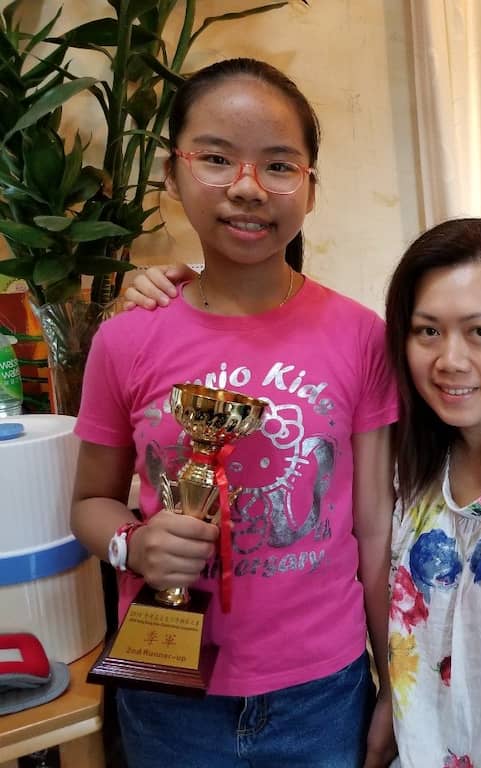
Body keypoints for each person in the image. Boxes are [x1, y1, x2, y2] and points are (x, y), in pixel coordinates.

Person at [124, 219, 481, 767]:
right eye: (428, 331)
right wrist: (196, 291)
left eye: (480, 332)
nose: (450, 361)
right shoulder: (416, 456)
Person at [71, 58, 397, 768]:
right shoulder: (126, 338)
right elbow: (90, 503)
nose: (248, 188)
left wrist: (392, 685)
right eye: (217, 158)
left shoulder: (360, 337)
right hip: (167, 691)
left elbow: (374, 531)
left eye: (279, 165)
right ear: (172, 172)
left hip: (322, 692)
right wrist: (133, 545)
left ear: (310, 188)